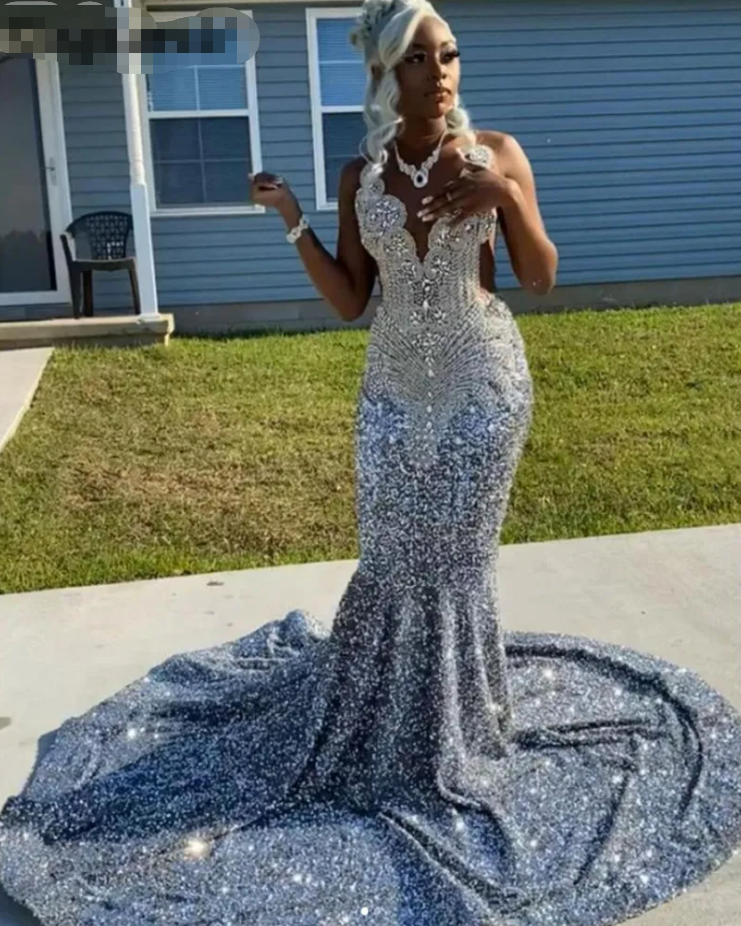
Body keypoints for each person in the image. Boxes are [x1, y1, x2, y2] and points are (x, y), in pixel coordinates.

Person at [1, 1, 740, 924]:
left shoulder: (497, 154)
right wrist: (291, 220)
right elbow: (352, 300)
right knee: (391, 561)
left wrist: (506, 200)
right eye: (421, 59)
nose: (443, 73)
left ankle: (456, 736)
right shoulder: (362, 175)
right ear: (387, 74)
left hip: (481, 387)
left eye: (450, 55)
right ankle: (380, 727)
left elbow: (541, 276)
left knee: (456, 565)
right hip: (391, 392)